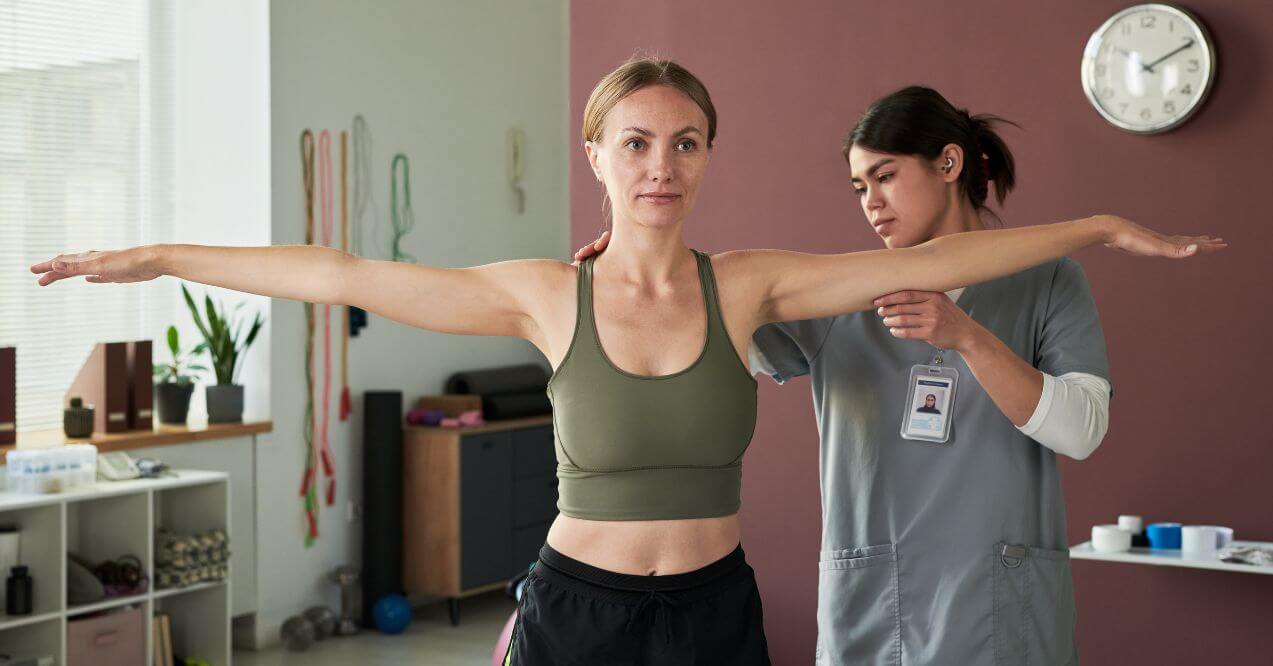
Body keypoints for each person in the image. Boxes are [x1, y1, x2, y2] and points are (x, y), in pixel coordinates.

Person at [34, 61, 1222, 665]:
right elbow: (336, 272)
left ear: (707, 156)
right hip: (573, 608)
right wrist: (157, 256)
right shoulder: (543, 293)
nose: (664, 163)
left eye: (687, 142)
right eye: (639, 141)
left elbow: (983, 254)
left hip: (713, 610)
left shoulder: (754, 281)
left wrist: (1099, 229)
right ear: (598, 151)